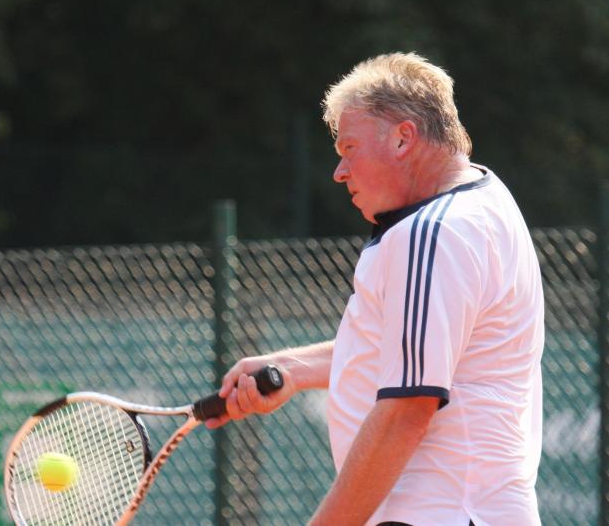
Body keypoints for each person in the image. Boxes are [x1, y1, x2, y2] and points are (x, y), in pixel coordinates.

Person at [206, 52, 545, 526]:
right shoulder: (485, 201)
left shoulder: (433, 233)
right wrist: (293, 369)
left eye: (349, 148)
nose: (339, 171)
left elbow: (406, 412)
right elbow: (418, 351)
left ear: (404, 137)